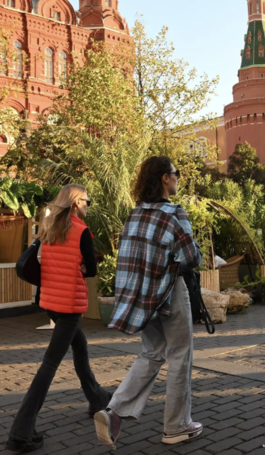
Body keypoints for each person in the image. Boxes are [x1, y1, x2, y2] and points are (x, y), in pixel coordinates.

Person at [94, 157, 203, 450]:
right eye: (175, 174)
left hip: (141, 297)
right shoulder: (174, 214)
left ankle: (113, 411)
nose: (178, 179)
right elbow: (191, 259)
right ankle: (176, 426)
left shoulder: (134, 214)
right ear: (165, 179)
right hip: (168, 292)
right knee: (180, 354)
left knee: (152, 353)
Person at [5, 184, 111, 453]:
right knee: (49, 365)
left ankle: (97, 398)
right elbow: (91, 269)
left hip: (51, 302)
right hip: (70, 305)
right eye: (87, 201)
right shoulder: (81, 231)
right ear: (76, 203)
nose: (89, 205)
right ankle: (21, 432)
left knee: (80, 346)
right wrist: (80, 264)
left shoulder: (48, 228)